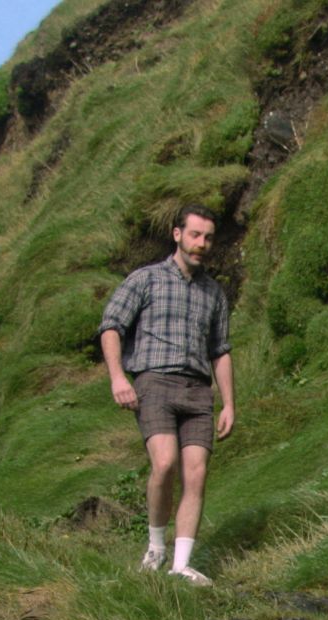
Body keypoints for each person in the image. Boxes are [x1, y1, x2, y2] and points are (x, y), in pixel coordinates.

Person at [99, 205, 236, 585]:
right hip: (154, 382)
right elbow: (111, 327)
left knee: (197, 473)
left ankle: (181, 565)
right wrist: (118, 378)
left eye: (208, 238)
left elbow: (220, 350)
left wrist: (229, 403)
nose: (202, 244)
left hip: (198, 390)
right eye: (195, 235)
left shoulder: (214, 292)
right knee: (164, 463)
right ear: (177, 234)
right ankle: (156, 547)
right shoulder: (145, 279)